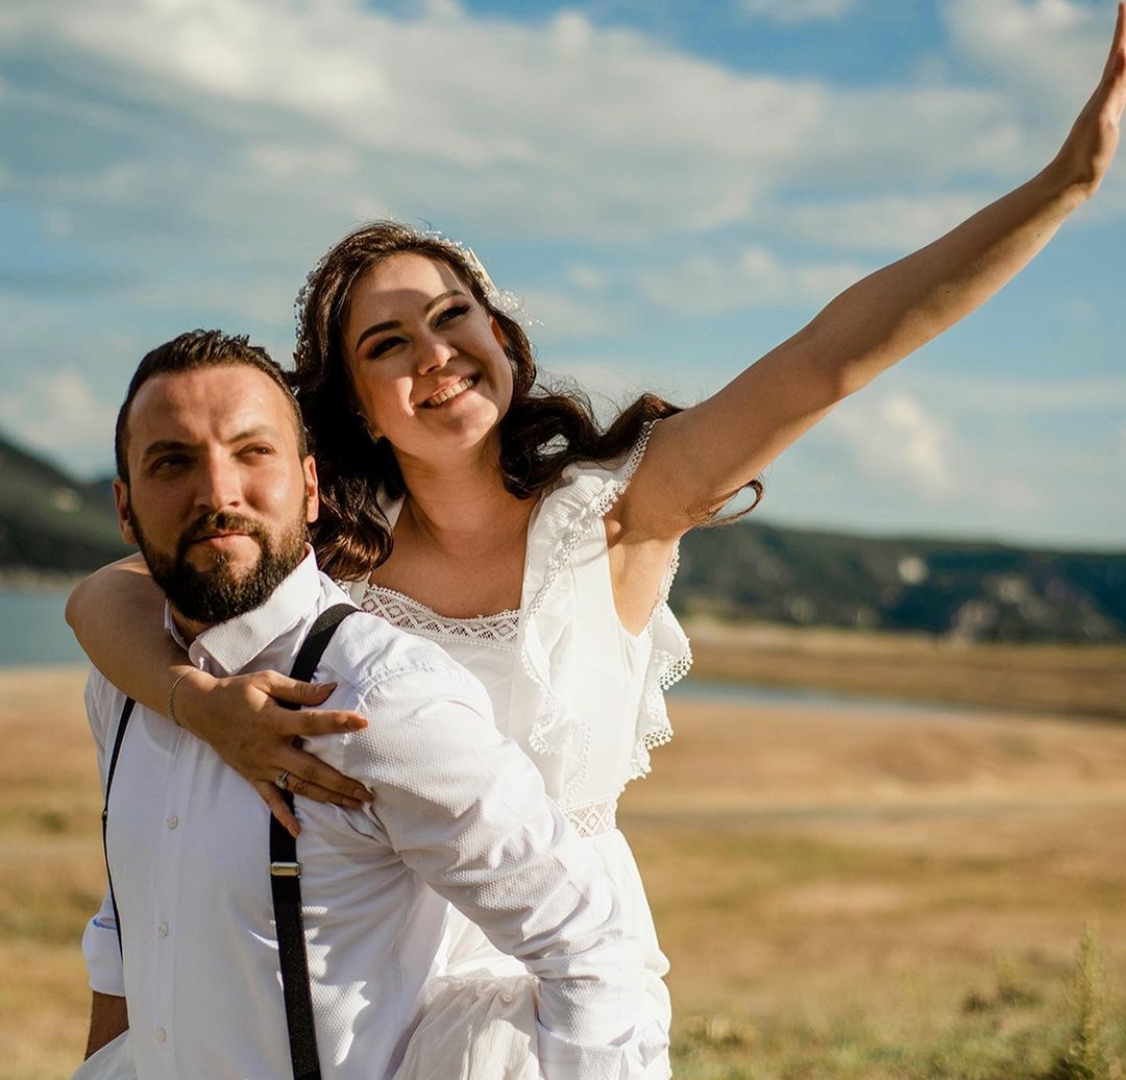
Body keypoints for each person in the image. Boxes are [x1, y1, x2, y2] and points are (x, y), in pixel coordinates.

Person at [68, 7, 1126, 1077]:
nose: (434, 356)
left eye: (452, 317)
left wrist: (1065, 182)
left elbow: (829, 359)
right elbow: (104, 600)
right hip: (376, 994)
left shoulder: (619, 512)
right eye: (388, 344)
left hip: (555, 1003)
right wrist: (198, 703)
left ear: (502, 338)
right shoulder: (341, 561)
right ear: (356, 408)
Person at [75, 329, 659, 1080]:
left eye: (253, 452)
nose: (217, 493)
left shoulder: (381, 695)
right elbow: (130, 925)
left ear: (311, 488)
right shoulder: (124, 687)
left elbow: (589, 946)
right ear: (125, 510)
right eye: (173, 461)